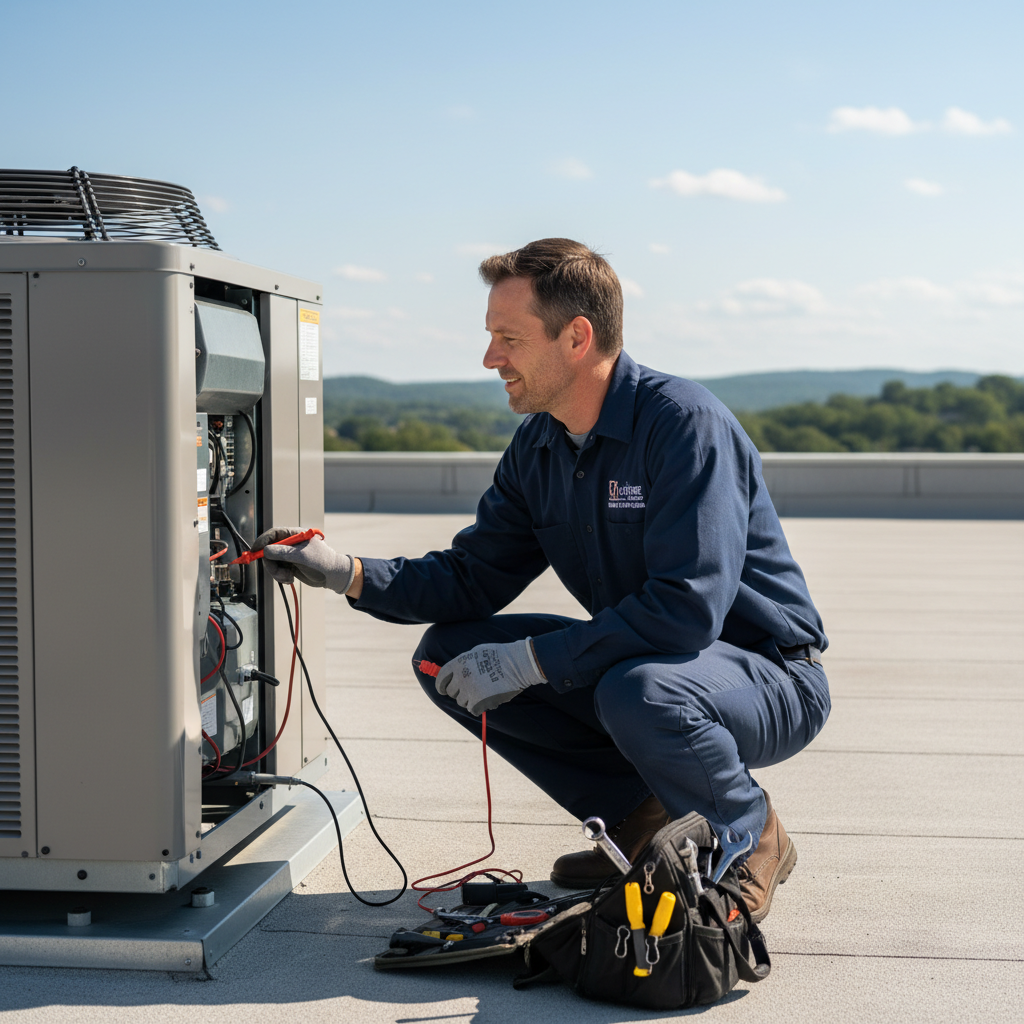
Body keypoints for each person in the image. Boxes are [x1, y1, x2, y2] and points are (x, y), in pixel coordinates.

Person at [254, 238, 830, 923]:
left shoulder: (682, 426)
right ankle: (640, 818)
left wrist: (532, 661)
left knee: (639, 689)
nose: (491, 358)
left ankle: (747, 833)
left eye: (508, 338)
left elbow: (686, 612)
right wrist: (346, 573)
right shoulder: (541, 445)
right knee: (449, 654)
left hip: (768, 676)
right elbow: (472, 576)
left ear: (577, 337)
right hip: (650, 670)